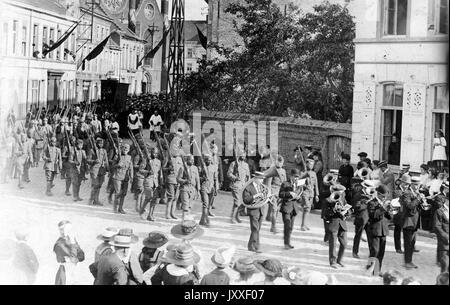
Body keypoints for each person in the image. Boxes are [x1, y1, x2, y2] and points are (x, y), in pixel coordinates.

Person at [366, 184, 392, 273]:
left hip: (383, 230)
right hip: (374, 230)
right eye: (383, 196)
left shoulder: (385, 203)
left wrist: (390, 210)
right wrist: (383, 208)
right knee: (374, 251)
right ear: (378, 194)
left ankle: (377, 271)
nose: (384, 198)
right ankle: (369, 268)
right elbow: (373, 215)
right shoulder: (371, 203)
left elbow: (389, 217)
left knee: (381, 252)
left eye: (385, 196)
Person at [324, 185, 349, 269]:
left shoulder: (342, 199)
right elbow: (325, 215)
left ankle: (339, 260)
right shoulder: (327, 200)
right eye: (338, 192)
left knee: (344, 243)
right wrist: (334, 210)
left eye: (341, 192)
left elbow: (348, 210)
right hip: (333, 224)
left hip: (342, 224)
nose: (340, 194)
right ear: (333, 191)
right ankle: (333, 262)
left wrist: (346, 212)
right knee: (333, 244)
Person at [53, 220, 85, 285]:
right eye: (62, 229)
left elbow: (82, 256)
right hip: (65, 274)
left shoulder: (71, 239)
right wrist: (73, 244)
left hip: (73, 272)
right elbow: (73, 258)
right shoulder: (59, 244)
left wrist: (76, 258)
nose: (66, 231)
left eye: (69, 229)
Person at [400, 177, 422, 269]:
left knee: (412, 243)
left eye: (418, 184)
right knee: (408, 243)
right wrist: (418, 200)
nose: (417, 187)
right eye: (415, 185)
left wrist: (422, 202)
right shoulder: (407, 193)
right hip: (408, 221)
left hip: (415, 221)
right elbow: (409, 206)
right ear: (411, 184)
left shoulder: (416, 193)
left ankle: (410, 261)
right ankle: (407, 262)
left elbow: (416, 206)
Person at [242, 171, 267, 253]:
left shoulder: (262, 187)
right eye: (260, 179)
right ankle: (255, 247)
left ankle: (251, 245)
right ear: (255, 178)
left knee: (257, 229)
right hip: (253, 210)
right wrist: (255, 196)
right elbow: (245, 200)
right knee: (255, 229)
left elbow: (265, 195)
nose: (262, 181)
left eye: (262, 179)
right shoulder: (248, 187)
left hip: (261, 210)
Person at [279, 169, 302, 249]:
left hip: (294, 208)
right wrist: (289, 193)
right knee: (287, 226)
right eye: (295, 177)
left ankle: (287, 240)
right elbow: (280, 194)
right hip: (286, 208)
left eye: (297, 177)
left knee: (291, 227)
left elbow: (300, 198)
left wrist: (299, 198)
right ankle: (286, 244)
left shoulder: (299, 186)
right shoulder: (285, 184)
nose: (296, 179)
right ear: (291, 176)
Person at [139, 147, 163, 222]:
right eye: (153, 153)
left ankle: (150, 215)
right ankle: (142, 210)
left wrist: (161, 181)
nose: (154, 154)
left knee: (154, 199)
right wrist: (148, 171)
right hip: (148, 180)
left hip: (155, 182)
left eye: (156, 153)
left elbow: (159, 172)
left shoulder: (158, 161)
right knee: (149, 197)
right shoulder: (146, 160)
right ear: (151, 152)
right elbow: (140, 170)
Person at [227, 150, 251, 224]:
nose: (243, 156)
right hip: (235, 185)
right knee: (237, 202)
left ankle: (236, 217)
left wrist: (248, 185)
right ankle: (232, 218)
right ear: (239, 155)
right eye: (242, 155)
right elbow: (229, 174)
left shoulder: (246, 165)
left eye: (245, 155)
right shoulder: (233, 164)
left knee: (242, 203)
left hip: (243, 186)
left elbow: (248, 176)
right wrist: (235, 178)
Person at [110, 143, 133, 214]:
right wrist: (117, 165)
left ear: (128, 150)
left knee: (124, 193)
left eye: (127, 149)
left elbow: (131, 168)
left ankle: (120, 208)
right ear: (121, 149)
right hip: (117, 177)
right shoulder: (117, 156)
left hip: (125, 178)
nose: (125, 150)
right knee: (118, 193)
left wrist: (131, 176)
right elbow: (112, 166)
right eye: (124, 148)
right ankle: (115, 208)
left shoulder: (129, 157)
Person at [267, 155, 287, 233]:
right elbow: (269, 183)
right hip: (273, 191)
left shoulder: (283, 171)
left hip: (280, 192)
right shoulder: (272, 170)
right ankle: (273, 227)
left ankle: (273, 222)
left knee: (278, 209)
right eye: (278, 161)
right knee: (274, 210)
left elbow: (285, 182)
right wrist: (269, 194)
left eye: (281, 162)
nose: (279, 163)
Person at [87, 138, 109, 206]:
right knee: (95, 185)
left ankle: (96, 200)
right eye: (99, 143)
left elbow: (106, 160)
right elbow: (88, 160)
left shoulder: (104, 151)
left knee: (99, 185)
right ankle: (91, 199)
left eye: (102, 143)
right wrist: (94, 161)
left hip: (101, 170)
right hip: (94, 170)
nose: (100, 144)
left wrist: (108, 168)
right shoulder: (92, 150)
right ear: (96, 143)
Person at [177, 154, 200, 220]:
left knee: (189, 206)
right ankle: (184, 220)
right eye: (191, 160)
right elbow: (178, 179)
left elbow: (197, 179)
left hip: (192, 189)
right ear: (187, 160)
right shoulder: (182, 168)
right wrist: (185, 181)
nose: (192, 161)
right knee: (185, 205)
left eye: (193, 160)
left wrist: (198, 190)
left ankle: (187, 220)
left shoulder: (195, 168)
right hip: (184, 188)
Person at [352, 178, 370, 259]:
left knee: (370, 236)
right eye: (367, 188)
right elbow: (356, 207)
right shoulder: (358, 195)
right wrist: (367, 203)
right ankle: (355, 252)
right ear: (364, 188)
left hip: (369, 218)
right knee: (358, 236)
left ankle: (371, 253)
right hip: (360, 218)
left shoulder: (371, 195)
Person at [199, 154, 219, 227]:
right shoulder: (201, 168)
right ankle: (206, 220)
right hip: (204, 187)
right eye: (207, 159)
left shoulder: (214, 168)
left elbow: (215, 178)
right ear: (205, 160)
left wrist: (216, 188)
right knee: (205, 204)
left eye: (210, 159)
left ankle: (202, 220)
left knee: (209, 205)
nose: (209, 161)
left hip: (211, 188)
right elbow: (197, 178)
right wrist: (202, 178)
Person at [433, 184, 449, 273]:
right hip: (444, 245)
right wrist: (446, 237)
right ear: (446, 200)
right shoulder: (440, 211)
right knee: (445, 269)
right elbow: (437, 226)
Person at [300, 158, 319, 231]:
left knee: (308, 209)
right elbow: (299, 184)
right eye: (309, 164)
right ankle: (303, 225)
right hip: (305, 193)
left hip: (311, 193)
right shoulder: (303, 173)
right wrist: (304, 185)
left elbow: (316, 184)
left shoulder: (314, 173)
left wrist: (317, 195)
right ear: (306, 164)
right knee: (307, 207)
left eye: (312, 164)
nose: (310, 166)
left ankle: (304, 224)